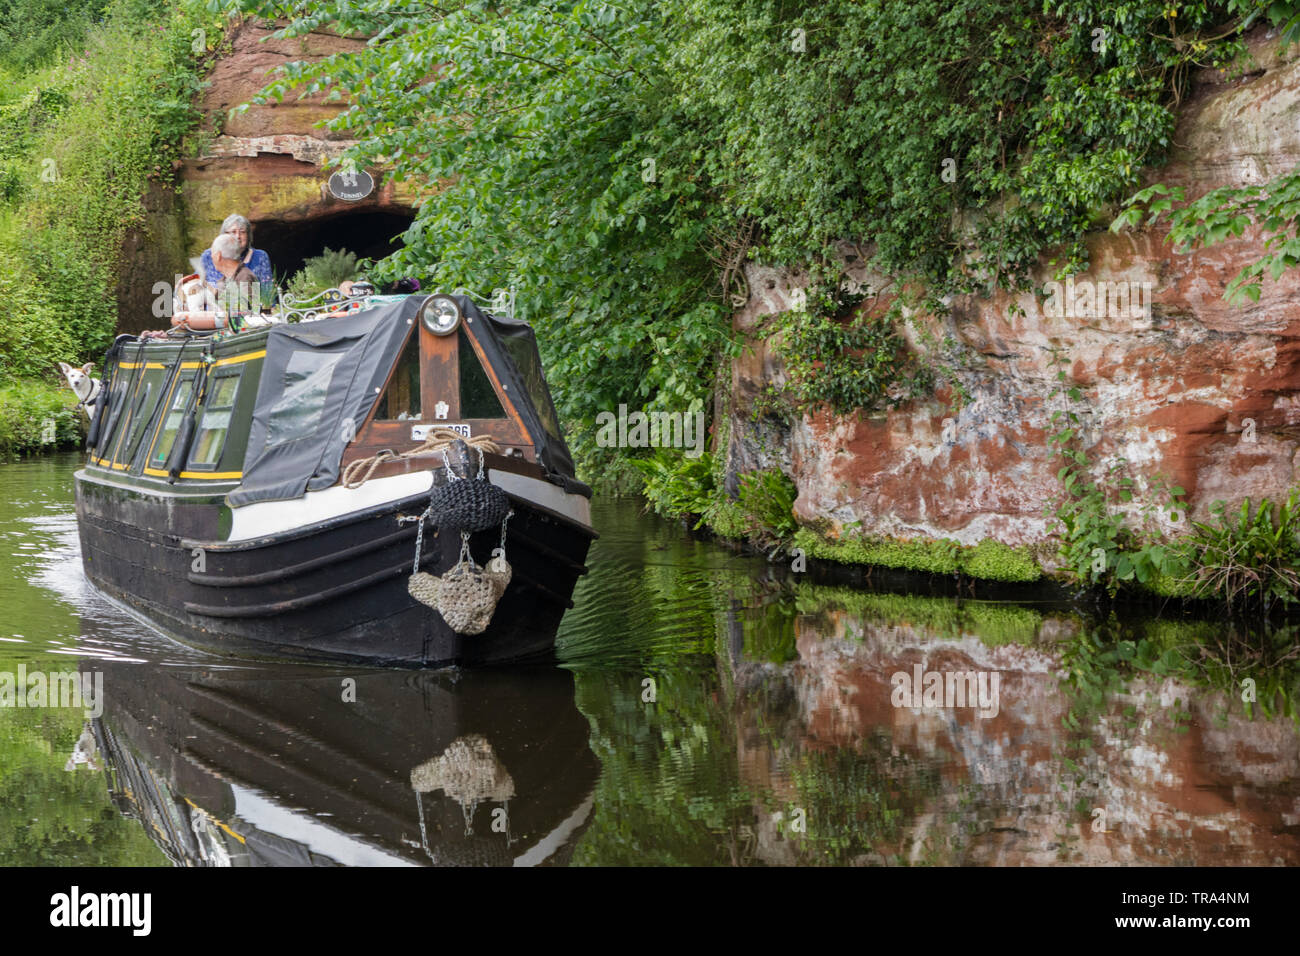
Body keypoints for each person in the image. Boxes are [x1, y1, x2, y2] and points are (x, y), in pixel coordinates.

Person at [199, 214, 272, 285]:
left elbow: (267, 292)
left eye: (242, 232)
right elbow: (198, 280)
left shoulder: (260, 256)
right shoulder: (209, 255)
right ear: (224, 235)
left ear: (248, 235)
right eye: (233, 232)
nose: (237, 236)